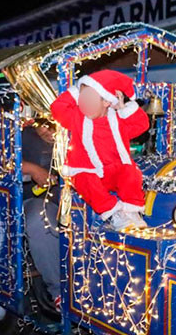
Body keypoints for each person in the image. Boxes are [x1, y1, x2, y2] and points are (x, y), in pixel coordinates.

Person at [50, 69, 150, 231]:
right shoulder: (77, 117)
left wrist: (125, 107)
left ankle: (131, 211)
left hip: (114, 170)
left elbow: (142, 125)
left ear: (107, 102)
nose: (84, 104)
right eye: (82, 99)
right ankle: (113, 213)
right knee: (86, 181)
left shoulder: (118, 118)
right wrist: (78, 90)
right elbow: (57, 107)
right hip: (88, 171)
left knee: (131, 172)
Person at [21, 119, 61, 308]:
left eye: (54, 125)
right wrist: (32, 169)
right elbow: (3, 162)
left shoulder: (77, 131)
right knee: (41, 220)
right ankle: (59, 291)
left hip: (71, 199)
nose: (49, 131)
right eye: (44, 125)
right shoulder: (21, 135)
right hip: (34, 199)